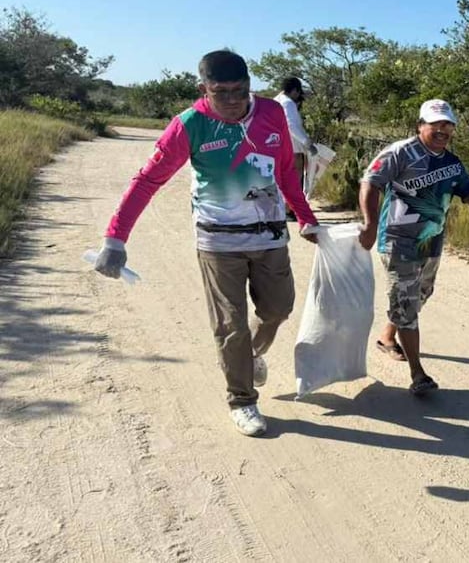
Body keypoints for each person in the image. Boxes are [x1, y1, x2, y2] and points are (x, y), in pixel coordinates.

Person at [92, 50, 320, 437]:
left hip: (269, 236)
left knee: (278, 309)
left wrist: (306, 217)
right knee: (230, 324)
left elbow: (284, 170)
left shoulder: (271, 112)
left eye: (240, 90)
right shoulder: (190, 125)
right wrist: (115, 238)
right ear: (204, 89)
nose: (232, 100)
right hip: (218, 240)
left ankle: (249, 355)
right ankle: (242, 400)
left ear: (250, 85)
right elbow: (148, 180)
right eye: (221, 92)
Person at [358, 98, 469, 396]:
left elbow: (468, 192)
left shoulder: (451, 162)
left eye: (448, 125)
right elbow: (370, 183)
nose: (442, 130)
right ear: (420, 125)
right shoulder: (400, 153)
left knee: (421, 293)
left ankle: (387, 336)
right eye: (435, 124)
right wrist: (370, 224)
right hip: (398, 241)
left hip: (430, 241)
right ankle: (418, 374)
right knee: (407, 303)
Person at [274, 77, 312, 215]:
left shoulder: (276, 100)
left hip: (278, 145)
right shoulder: (288, 103)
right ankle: (290, 209)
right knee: (294, 177)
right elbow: (291, 125)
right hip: (292, 147)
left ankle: (286, 208)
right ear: (295, 90)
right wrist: (306, 142)